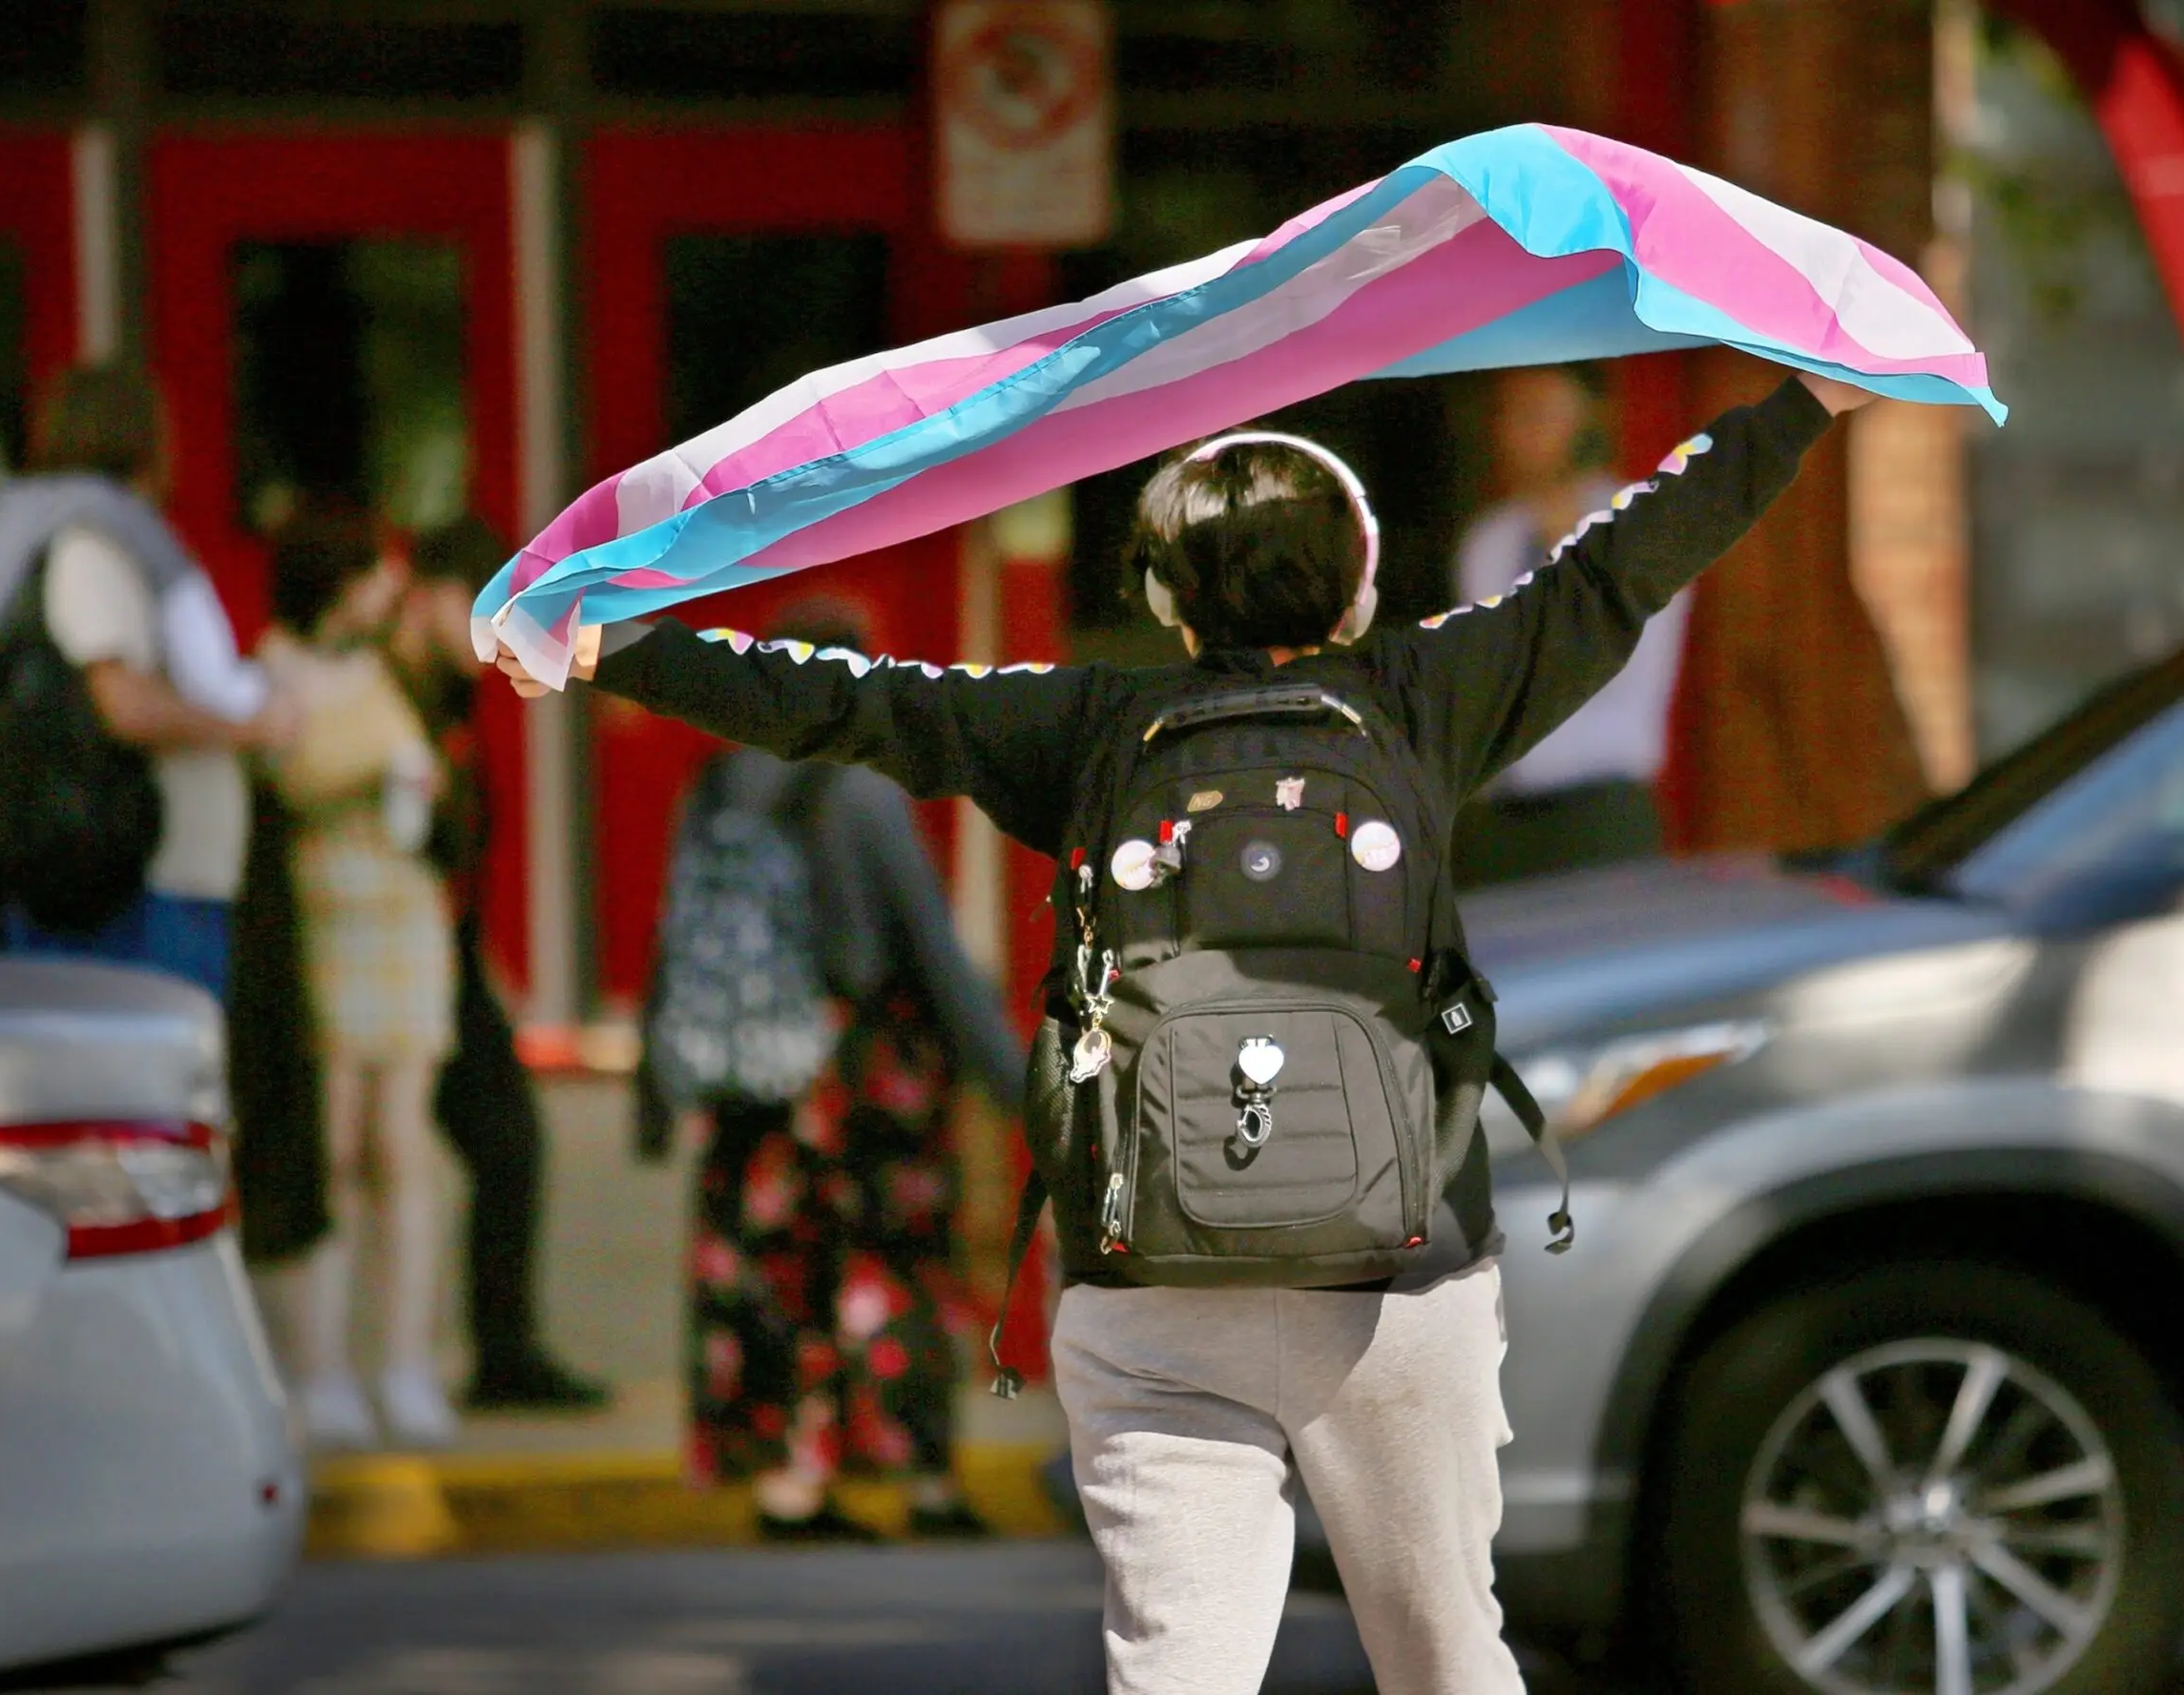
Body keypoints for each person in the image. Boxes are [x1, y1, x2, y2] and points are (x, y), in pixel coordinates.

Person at [498, 371, 1872, 1692]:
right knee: (1447, 1650)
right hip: (1394, 1278)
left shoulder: (1085, 728)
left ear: (1164, 594)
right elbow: (1619, 565)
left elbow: (841, 699)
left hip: (1145, 1274)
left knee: (1179, 1665)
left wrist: (609, 641)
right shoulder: (1420, 701)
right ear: (1362, 586)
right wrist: (1804, 407)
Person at [636, 598, 1028, 1541]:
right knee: (887, 1272)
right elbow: (929, 947)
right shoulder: (859, 791)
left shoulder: (717, 786)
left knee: (773, 1283)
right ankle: (926, 1482)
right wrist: (1014, 1080)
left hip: (745, 1077)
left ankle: (789, 1485)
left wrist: (654, 1087)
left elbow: (672, 938)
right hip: (856, 1081)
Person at [0, 364, 295, 997]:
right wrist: (251, 723)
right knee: (144, 1074)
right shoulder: (91, 545)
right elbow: (122, 702)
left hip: (117, 881)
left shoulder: (41, 534)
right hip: (132, 883)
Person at [390, 514, 611, 1413]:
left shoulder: (445, 698)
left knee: (510, 1142)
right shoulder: (385, 697)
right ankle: (462, 1354)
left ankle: (503, 1349)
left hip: (444, 960)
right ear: (428, 594)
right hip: (388, 966)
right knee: (405, 1160)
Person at [260, 502, 459, 1449]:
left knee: (402, 1147)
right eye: (371, 570)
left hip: (404, 918)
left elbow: (443, 768)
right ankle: (320, 1369)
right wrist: (380, 762)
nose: (388, 587)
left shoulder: (397, 666)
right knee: (328, 1151)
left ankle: (405, 1364)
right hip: (319, 921)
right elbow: (291, 773)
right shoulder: (268, 667)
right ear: (330, 579)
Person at [1450, 365, 1692, 888]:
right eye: (1509, 415)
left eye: (1537, 412)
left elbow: (1614, 667)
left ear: (1590, 417)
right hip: (1503, 814)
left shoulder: (1641, 526)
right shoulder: (1489, 538)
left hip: (1600, 806)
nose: (1516, 431)